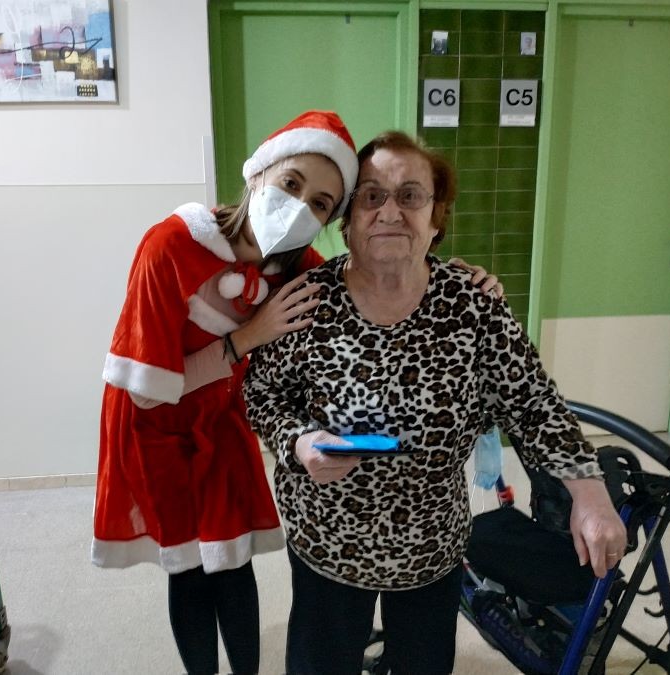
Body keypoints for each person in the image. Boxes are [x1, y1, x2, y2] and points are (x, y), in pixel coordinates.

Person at [92, 111, 500, 674]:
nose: (299, 207)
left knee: (233, 559)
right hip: (155, 425)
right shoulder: (169, 246)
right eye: (290, 184)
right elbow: (147, 391)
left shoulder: (296, 265)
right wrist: (247, 338)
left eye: (321, 204)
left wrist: (450, 278)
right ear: (259, 172)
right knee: (187, 566)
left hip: (222, 419)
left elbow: (366, 271)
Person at [243, 130, 628, 675]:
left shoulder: (473, 304)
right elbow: (263, 394)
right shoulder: (308, 301)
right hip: (327, 542)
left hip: (430, 545)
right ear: (348, 220)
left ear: (435, 216)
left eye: (410, 195)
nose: (389, 212)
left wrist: (589, 494)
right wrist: (299, 442)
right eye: (371, 196)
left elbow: (533, 401)